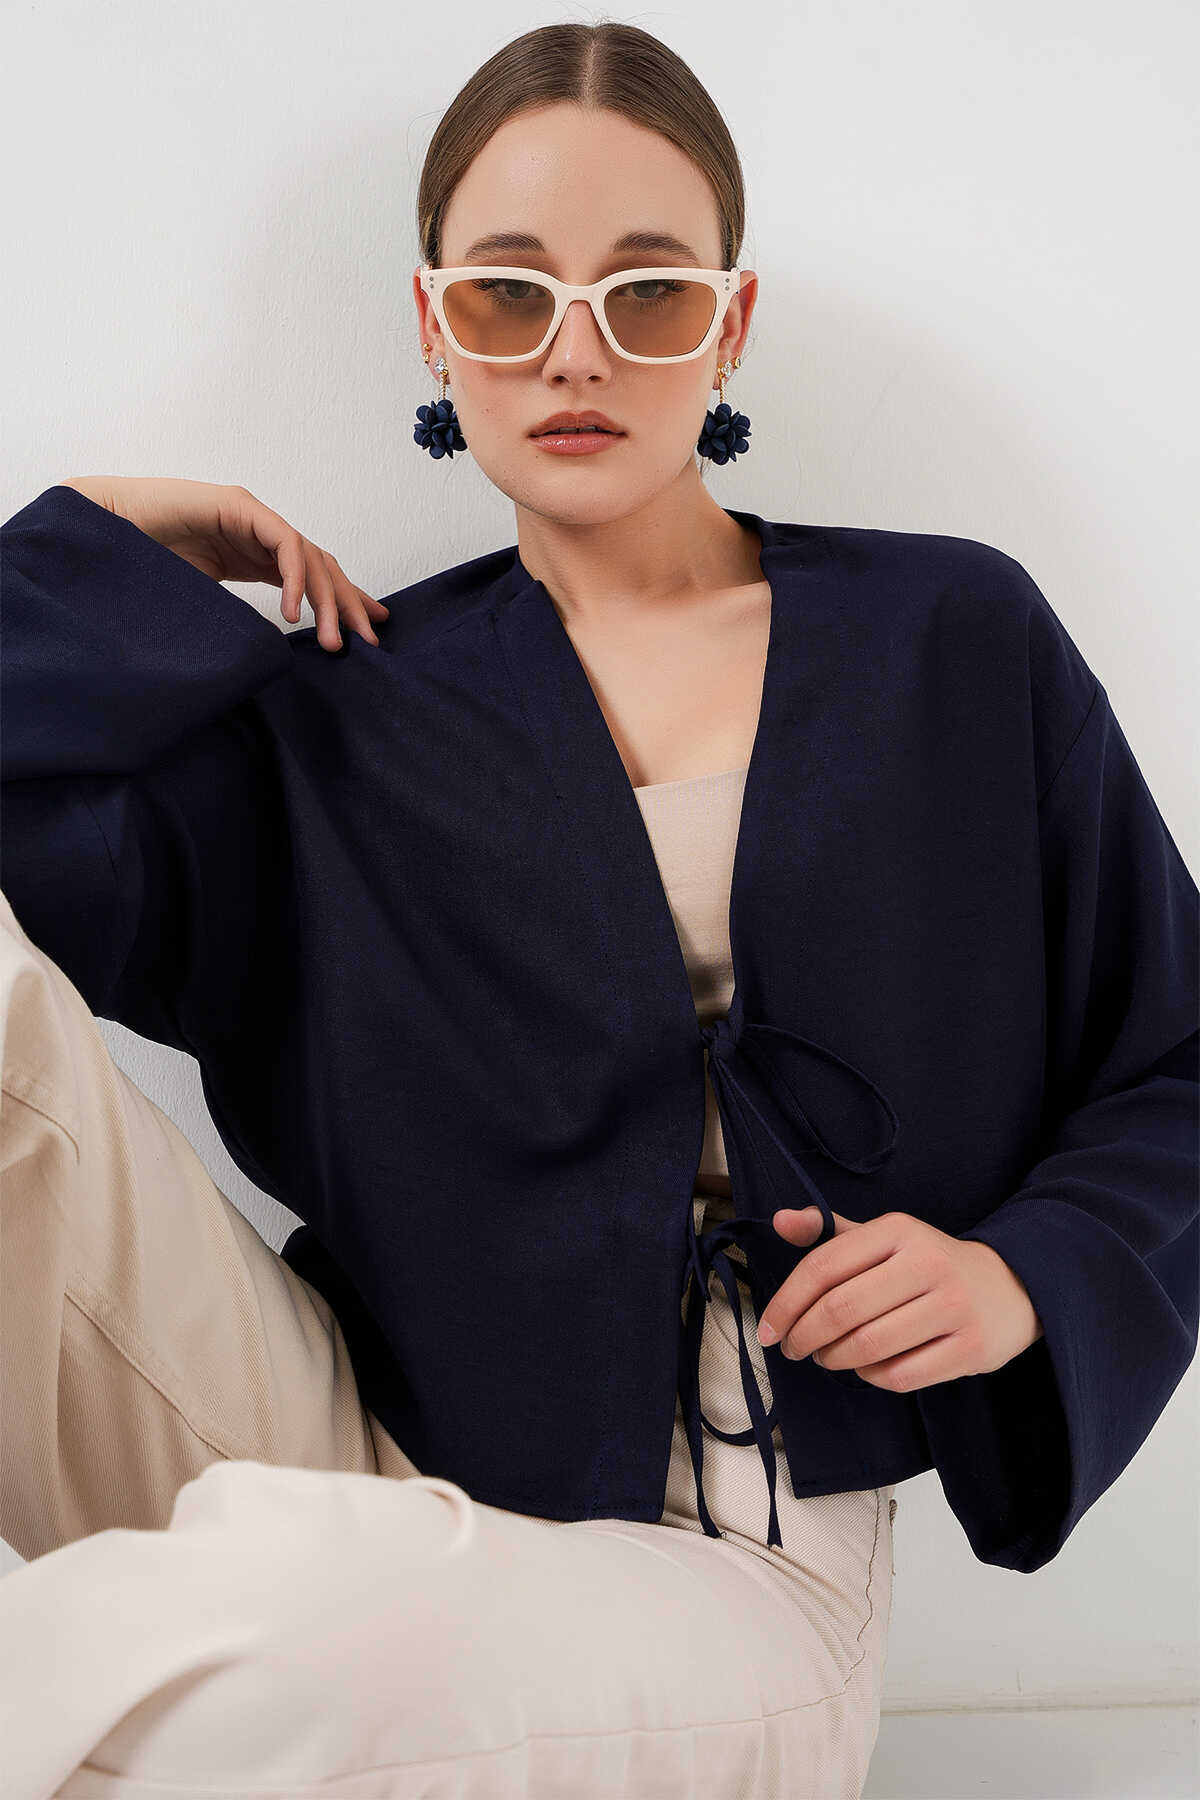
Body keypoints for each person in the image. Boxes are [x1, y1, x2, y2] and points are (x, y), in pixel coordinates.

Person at [2, 20, 1195, 1800]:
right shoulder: (350, 710)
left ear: (730, 318)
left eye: (647, 293)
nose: (577, 351)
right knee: (301, 1586)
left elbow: (1178, 1053)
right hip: (341, 1438)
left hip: (731, 1546)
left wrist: (1029, 1273)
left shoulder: (950, 641)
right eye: (509, 294)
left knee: (299, 1619)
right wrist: (95, 546)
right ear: (434, 326)